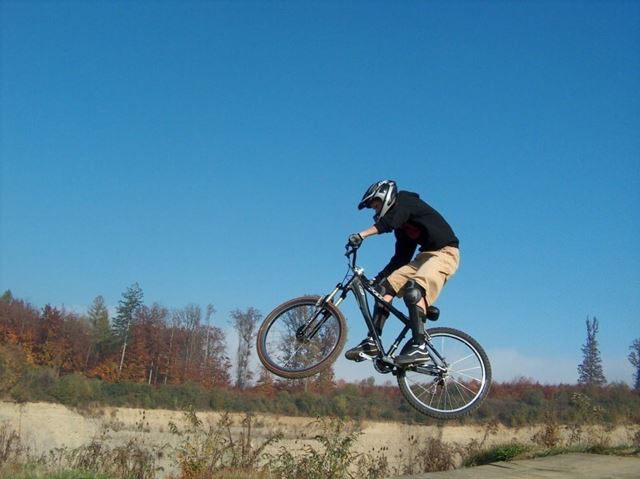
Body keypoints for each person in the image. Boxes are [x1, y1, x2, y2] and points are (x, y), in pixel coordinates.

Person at [345, 180, 460, 366]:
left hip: (445, 253)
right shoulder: (402, 228)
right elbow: (401, 259)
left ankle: (420, 348)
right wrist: (378, 279)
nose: (376, 212)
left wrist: (361, 235)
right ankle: (373, 342)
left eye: (376, 206)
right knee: (383, 290)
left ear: (385, 197)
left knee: (413, 290)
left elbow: (388, 222)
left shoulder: (406, 201)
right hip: (423, 257)